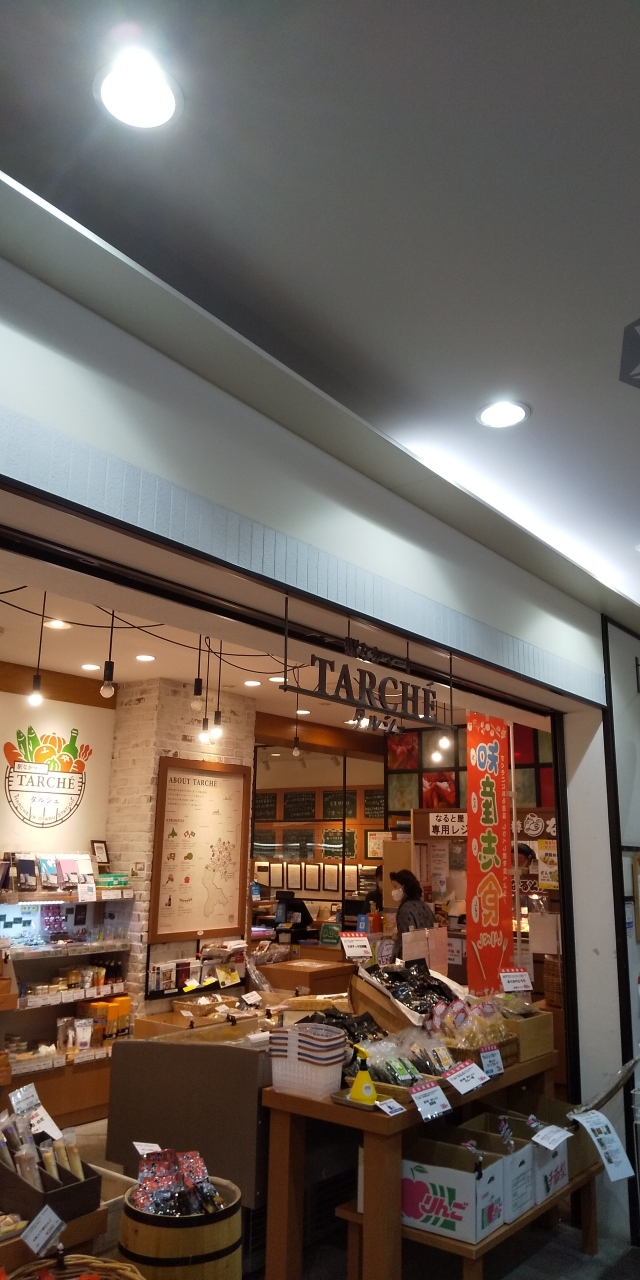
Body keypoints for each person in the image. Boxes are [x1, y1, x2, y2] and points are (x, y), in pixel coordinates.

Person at [390, 869, 435, 959]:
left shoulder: (405, 909)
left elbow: (405, 940)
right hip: (428, 956)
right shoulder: (424, 906)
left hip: (411, 959)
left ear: (404, 887)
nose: (394, 891)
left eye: (395, 887)